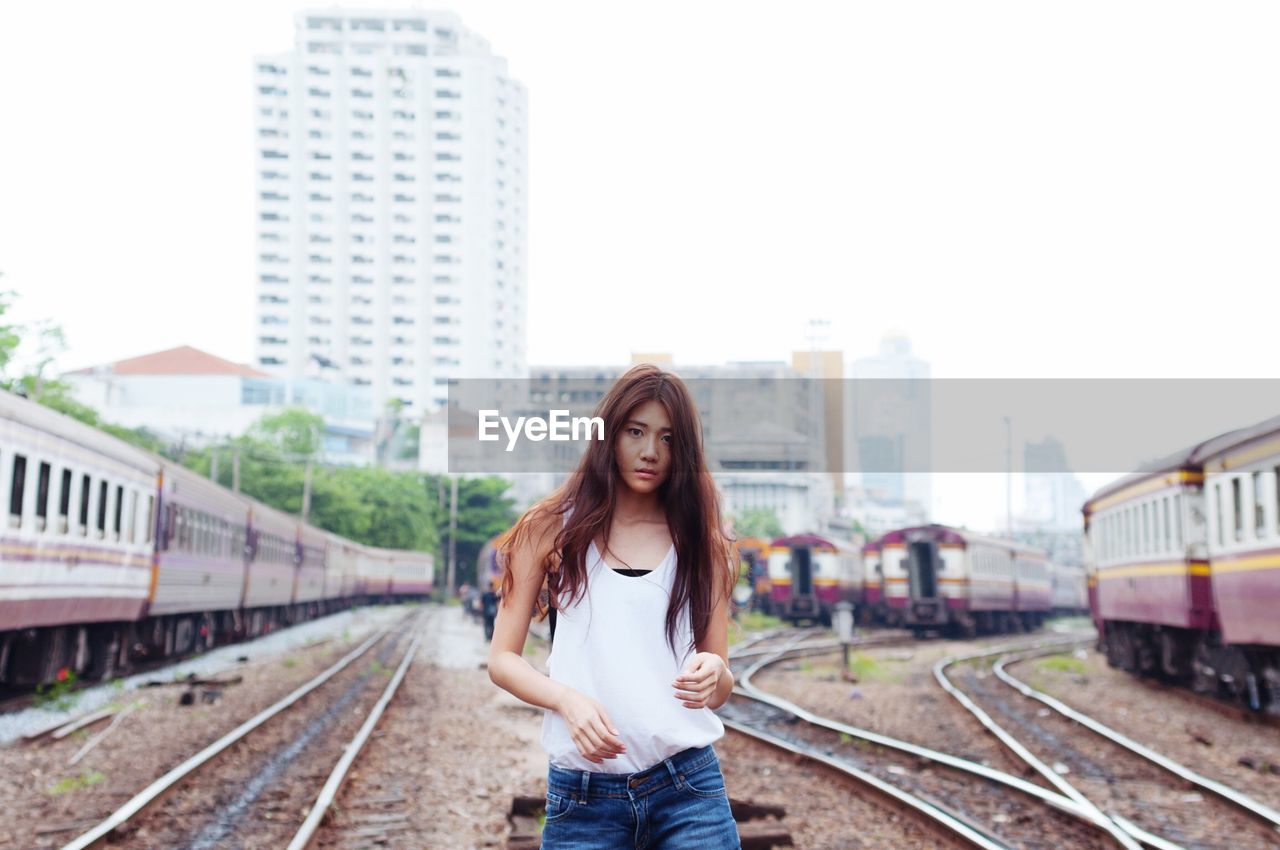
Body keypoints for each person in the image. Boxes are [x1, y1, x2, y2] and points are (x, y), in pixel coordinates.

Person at [488, 364, 742, 849]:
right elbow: (501, 660)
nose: (650, 452)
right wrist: (566, 698)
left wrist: (714, 670)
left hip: (688, 789)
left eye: (668, 439)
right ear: (609, 435)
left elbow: (719, 683)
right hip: (584, 799)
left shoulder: (700, 542)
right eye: (636, 432)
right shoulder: (550, 529)